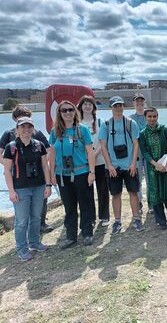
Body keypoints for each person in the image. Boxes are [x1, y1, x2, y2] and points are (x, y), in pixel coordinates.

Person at [3, 117, 52, 261]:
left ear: (33, 129)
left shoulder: (39, 145)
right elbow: (7, 171)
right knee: (22, 221)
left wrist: (48, 185)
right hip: (21, 189)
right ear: (17, 130)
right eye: (23, 127)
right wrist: (11, 191)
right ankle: (22, 249)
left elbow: (45, 166)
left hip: (38, 186)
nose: (26, 130)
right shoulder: (11, 147)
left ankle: (35, 242)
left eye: (29, 127)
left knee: (36, 217)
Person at [49, 101, 96, 249]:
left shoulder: (83, 130)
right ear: (59, 113)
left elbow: (90, 152)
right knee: (69, 206)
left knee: (85, 204)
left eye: (70, 110)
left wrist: (92, 172)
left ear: (75, 111)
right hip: (63, 175)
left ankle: (87, 232)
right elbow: (52, 154)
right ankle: (71, 236)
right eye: (64, 111)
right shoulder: (55, 132)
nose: (68, 113)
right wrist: (51, 175)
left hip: (82, 173)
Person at [0, 106, 54, 233]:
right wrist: (10, 165)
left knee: (41, 199)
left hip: (37, 174)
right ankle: (25, 231)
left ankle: (41, 223)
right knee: (21, 203)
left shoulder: (37, 133)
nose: (25, 125)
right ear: (15, 120)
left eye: (27, 119)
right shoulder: (8, 134)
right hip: (18, 176)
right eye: (20, 119)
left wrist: (42, 163)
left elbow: (49, 150)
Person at [99, 96, 145, 234]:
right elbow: (103, 146)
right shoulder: (106, 124)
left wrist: (133, 163)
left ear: (123, 106)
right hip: (113, 167)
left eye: (120, 105)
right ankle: (117, 221)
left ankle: (136, 218)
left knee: (133, 192)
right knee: (116, 194)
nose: (118, 108)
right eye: (115, 105)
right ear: (111, 107)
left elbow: (136, 144)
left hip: (129, 165)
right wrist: (110, 165)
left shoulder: (131, 123)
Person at [139, 107, 167, 229]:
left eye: (154, 116)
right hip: (152, 169)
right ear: (145, 117)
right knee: (155, 194)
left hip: (166, 167)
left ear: (157, 116)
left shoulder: (164, 129)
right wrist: (156, 164)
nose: (152, 119)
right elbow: (144, 152)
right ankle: (161, 221)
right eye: (149, 116)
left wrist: (166, 165)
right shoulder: (143, 133)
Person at [77, 95, 110, 227]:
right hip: (84, 163)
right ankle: (90, 217)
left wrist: (95, 154)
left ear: (94, 107)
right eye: (84, 104)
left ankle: (104, 216)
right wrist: (86, 156)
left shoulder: (101, 122)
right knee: (87, 191)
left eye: (90, 104)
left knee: (102, 189)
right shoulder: (77, 124)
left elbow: (104, 142)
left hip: (100, 161)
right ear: (80, 107)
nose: (87, 106)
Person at [129, 93, 149, 213]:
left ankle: (151, 202)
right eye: (137, 101)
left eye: (141, 101)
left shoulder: (149, 115)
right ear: (133, 103)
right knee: (138, 178)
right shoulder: (130, 118)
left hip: (148, 151)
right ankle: (139, 202)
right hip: (136, 152)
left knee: (150, 177)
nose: (139, 103)